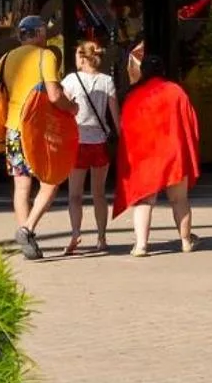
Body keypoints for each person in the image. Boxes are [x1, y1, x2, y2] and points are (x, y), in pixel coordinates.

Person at [0, 14, 70, 260]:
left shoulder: (7, 58)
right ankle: (27, 229)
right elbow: (55, 95)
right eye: (44, 32)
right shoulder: (45, 56)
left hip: (13, 128)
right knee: (51, 180)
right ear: (37, 34)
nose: (46, 36)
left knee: (21, 185)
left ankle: (27, 240)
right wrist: (73, 108)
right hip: (38, 130)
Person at [112, 46, 201, 257]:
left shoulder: (134, 96)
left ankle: (141, 245)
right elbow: (190, 122)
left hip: (145, 156)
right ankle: (186, 241)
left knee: (144, 200)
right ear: (162, 71)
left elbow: (127, 129)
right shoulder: (175, 91)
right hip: (173, 153)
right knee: (179, 199)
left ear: (142, 72)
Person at [61, 40, 117, 254]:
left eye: (77, 54)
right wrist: (121, 137)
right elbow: (115, 115)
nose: (76, 58)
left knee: (74, 194)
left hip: (78, 142)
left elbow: (63, 109)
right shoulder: (107, 81)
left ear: (83, 58)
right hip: (100, 142)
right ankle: (102, 238)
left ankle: (76, 233)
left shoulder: (71, 80)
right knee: (99, 194)